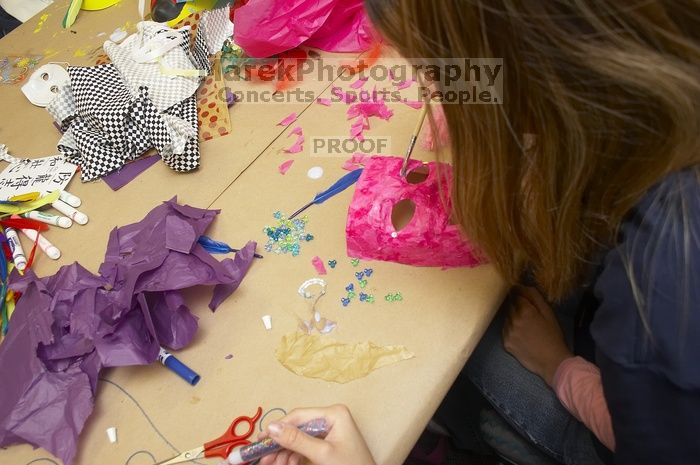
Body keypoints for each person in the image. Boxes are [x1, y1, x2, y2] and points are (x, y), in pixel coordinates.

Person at [259, 1, 700, 464]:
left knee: (457, 352)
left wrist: (557, 365)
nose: (436, 92)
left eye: (437, 74)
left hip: (615, 427)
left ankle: (469, 438)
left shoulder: (661, 292)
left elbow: (637, 435)